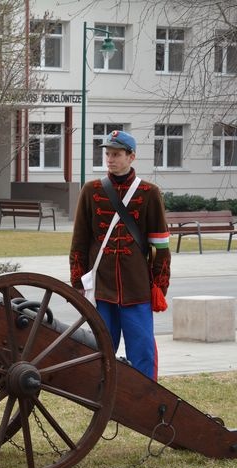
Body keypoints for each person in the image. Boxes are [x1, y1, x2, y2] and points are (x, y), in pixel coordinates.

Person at [69, 130, 171, 380]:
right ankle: (102, 395)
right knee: (100, 351)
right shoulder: (91, 191)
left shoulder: (149, 192)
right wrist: (78, 281)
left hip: (136, 287)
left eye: (116, 154)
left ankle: (144, 395)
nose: (110, 159)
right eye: (108, 154)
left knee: (143, 351)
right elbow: (80, 240)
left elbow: (160, 245)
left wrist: (158, 286)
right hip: (102, 287)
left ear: (131, 156)